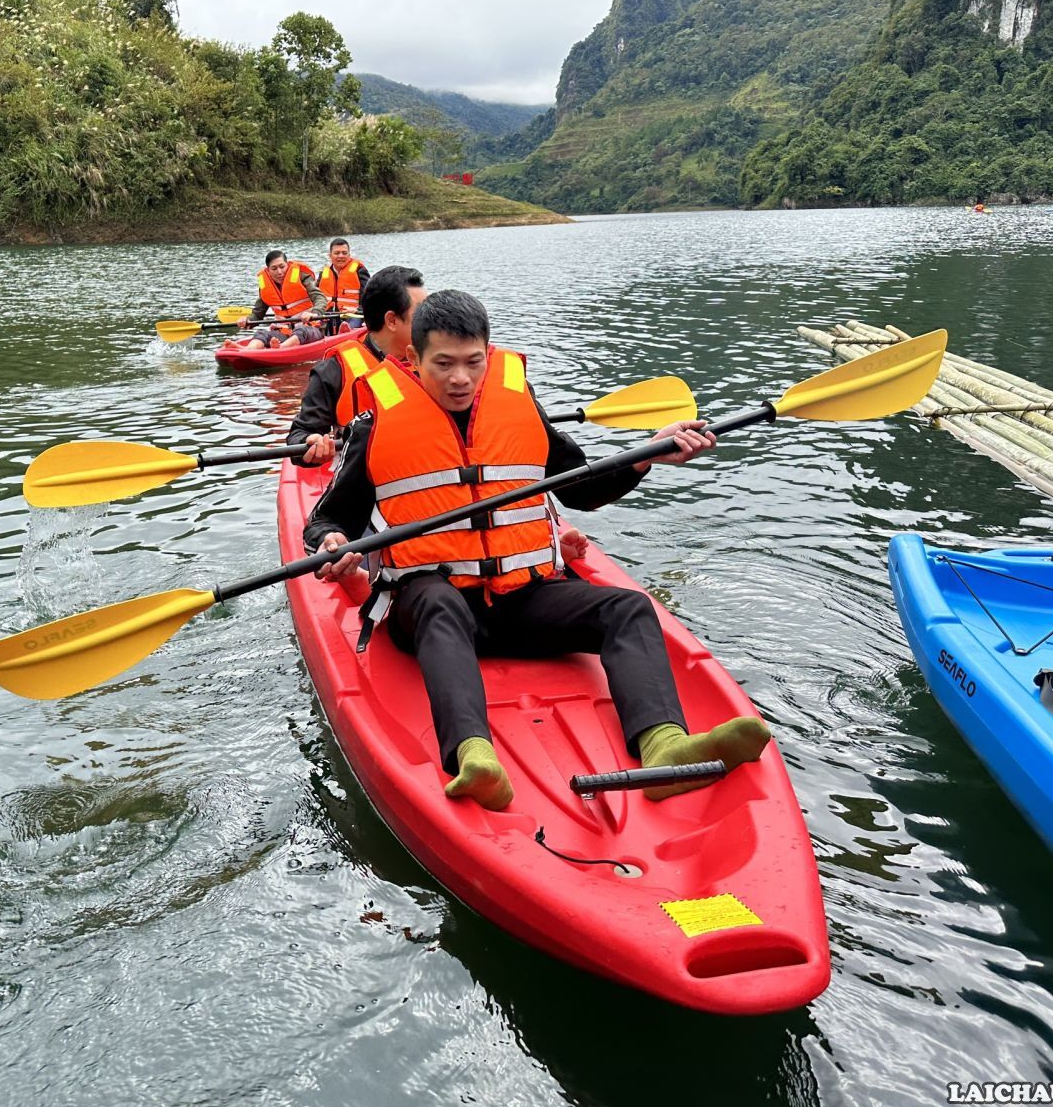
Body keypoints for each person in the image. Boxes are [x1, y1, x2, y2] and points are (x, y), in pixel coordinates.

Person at [304, 290, 773, 812]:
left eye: (472, 362)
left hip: (520, 598)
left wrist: (648, 456)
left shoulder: (519, 406)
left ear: (488, 353)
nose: (460, 378)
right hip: (431, 605)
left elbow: (582, 488)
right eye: (443, 364)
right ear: (413, 359)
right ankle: (473, 756)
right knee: (438, 602)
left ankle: (664, 747)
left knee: (628, 607)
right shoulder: (376, 425)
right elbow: (327, 517)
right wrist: (332, 542)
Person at [287, 265, 424, 467]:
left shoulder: (440, 360)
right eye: (421, 313)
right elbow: (299, 434)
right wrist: (310, 444)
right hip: (364, 475)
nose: (431, 319)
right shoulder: (334, 370)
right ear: (392, 320)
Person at [241, 250, 326, 350]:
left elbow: (320, 298)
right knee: (262, 334)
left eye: (282, 267)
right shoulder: (265, 286)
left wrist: (315, 313)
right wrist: (248, 320)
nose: (279, 272)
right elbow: (258, 313)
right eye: (274, 268)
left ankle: (280, 348)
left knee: (301, 331)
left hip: (310, 328)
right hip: (283, 332)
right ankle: (247, 350)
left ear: (287, 264)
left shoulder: (301, 276)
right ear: (268, 270)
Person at [316, 238, 370, 333]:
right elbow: (316, 297)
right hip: (328, 314)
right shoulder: (323, 273)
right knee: (314, 328)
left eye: (344, 253)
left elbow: (369, 296)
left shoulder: (359, 271)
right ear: (330, 255)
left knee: (349, 327)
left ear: (349, 255)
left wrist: (357, 309)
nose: (341, 256)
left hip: (352, 314)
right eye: (337, 253)